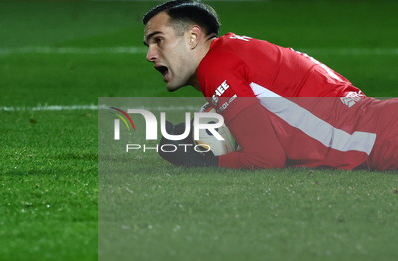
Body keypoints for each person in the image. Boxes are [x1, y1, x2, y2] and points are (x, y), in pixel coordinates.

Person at [143, 0, 398, 170]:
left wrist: (205, 162)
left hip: (383, 139)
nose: (150, 55)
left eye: (159, 40)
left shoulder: (216, 67)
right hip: (381, 123)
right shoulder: (231, 52)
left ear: (192, 37)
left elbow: (266, 158)